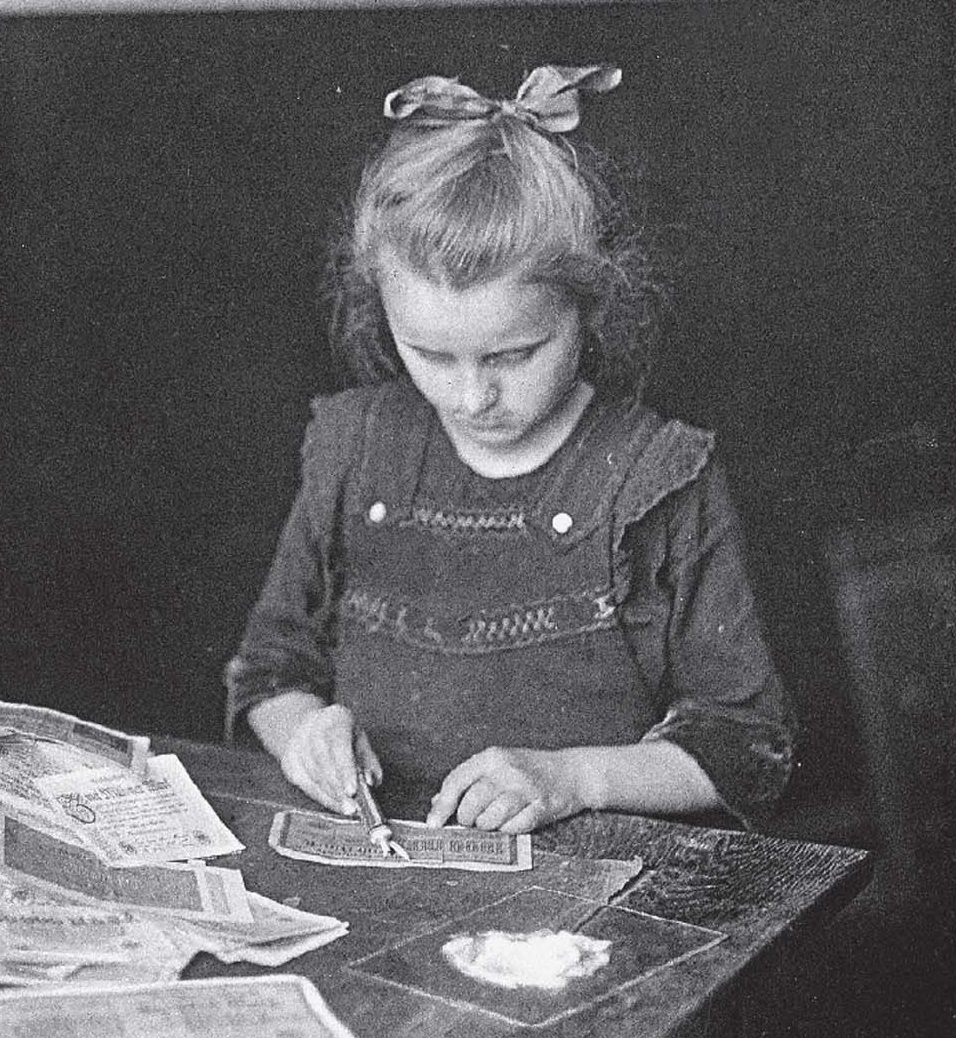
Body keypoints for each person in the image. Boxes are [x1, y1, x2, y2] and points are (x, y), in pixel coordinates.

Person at [225, 64, 792, 834]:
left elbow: (745, 743)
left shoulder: (658, 478)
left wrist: (572, 778)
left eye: (512, 355)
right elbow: (268, 670)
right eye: (430, 354)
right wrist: (304, 732)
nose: (470, 397)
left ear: (588, 308)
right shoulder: (356, 449)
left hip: (590, 881)